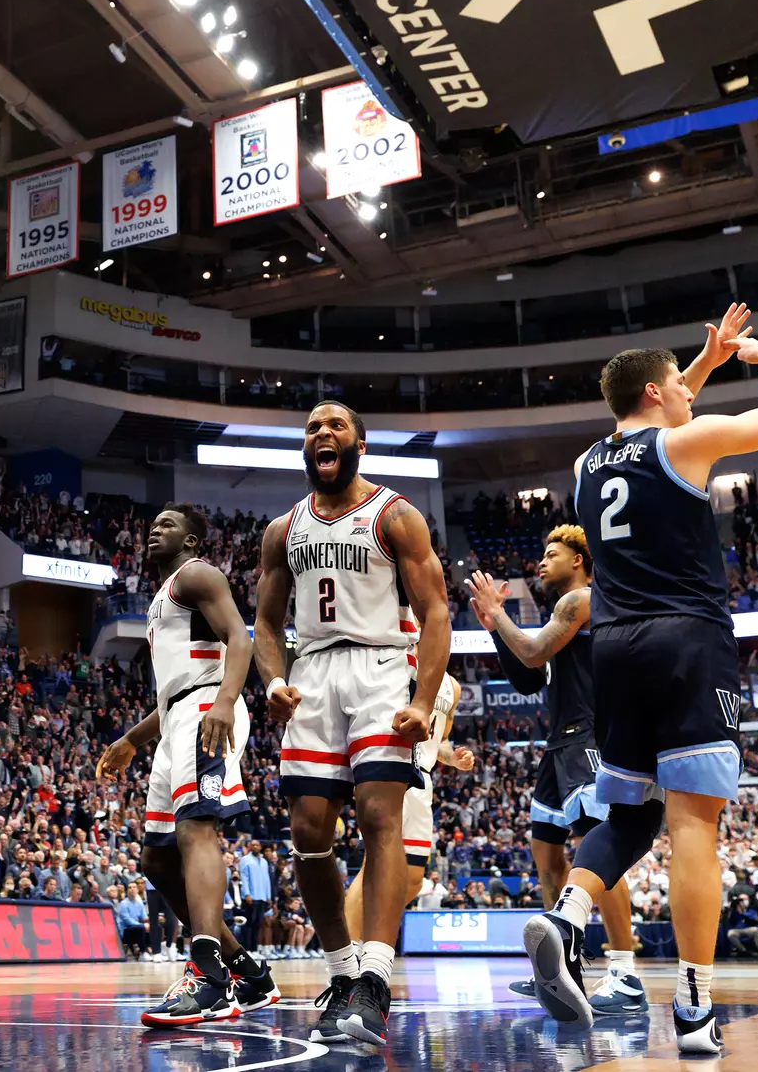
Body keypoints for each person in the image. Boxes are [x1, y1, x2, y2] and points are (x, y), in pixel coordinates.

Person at [526, 304, 758, 1055]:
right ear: (657, 393)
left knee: (631, 817)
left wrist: (701, 366)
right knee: (693, 824)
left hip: (614, 651)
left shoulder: (587, 466)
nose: (692, 391)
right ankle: (693, 1006)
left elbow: (651, 413)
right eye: (681, 385)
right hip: (686, 641)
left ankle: (566, 916)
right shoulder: (686, 443)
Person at [253, 401, 450, 1047]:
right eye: (313, 427)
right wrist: (273, 681)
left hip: (381, 665)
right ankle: (341, 973)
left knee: (377, 815)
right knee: (309, 829)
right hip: (312, 672)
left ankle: (375, 978)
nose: (322, 434)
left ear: (359, 444)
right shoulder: (283, 529)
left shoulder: (395, 515)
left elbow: (436, 611)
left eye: (335, 426)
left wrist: (424, 701)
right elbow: (266, 624)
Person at [95, 505, 277, 1027]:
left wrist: (225, 701)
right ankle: (247, 972)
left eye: (168, 524)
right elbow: (172, 691)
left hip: (206, 710)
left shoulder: (197, 575)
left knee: (196, 831)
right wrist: (131, 739)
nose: (155, 529)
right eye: (152, 524)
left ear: (192, 540)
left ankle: (209, 978)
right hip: (179, 716)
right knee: (156, 860)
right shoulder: (163, 597)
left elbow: (239, 638)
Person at [465, 526, 645, 1013]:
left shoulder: (582, 600)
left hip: (589, 735)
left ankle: (625, 973)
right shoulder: (558, 614)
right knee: (545, 854)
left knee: (598, 851)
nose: (541, 563)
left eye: (552, 554)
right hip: (559, 741)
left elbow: (530, 651)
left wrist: (500, 615)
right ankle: (565, 966)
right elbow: (527, 679)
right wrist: (493, 629)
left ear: (579, 560)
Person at [341, 673, 472, 932]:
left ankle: (368, 934)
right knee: (374, 868)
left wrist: (453, 759)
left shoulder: (453, 687)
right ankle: (346, 951)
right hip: (390, 765)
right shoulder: (398, 660)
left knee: (412, 880)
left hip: (423, 777)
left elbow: (441, 741)